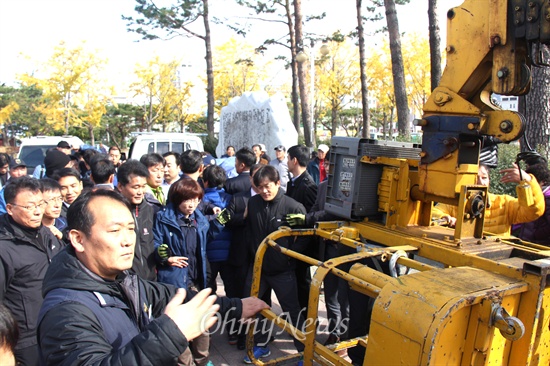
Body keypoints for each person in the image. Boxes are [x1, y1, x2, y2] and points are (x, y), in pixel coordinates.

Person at [37, 189, 269, 365]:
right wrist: (170, 334)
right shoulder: (65, 313)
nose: (128, 240)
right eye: (115, 230)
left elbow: (171, 295)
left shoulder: (122, 281)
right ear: (78, 239)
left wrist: (235, 306)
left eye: (130, 228)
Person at [153, 178, 224, 366]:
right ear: (177, 199)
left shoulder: (199, 218)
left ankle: (202, 359)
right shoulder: (163, 218)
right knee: (177, 325)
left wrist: (219, 224)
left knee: (202, 321)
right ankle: (186, 362)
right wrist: (165, 257)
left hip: (196, 278)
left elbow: (206, 238)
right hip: (174, 280)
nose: (192, 204)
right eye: (188, 200)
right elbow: (155, 242)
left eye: (196, 200)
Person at [242, 165, 308, 363]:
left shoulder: (293, 206)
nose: (264, 191)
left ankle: (304, 351)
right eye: (259, 187)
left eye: (268, 186)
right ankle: (261, 345)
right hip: (258, 269)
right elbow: (248, 230)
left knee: (292, 311)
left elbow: (306, 237)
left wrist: (289, 257)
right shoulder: (253, 203)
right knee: (257, 308)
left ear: (278, 183)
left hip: (283, 271)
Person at [0, 176, 64, 365]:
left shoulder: (47, 235)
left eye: (40, 204)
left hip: (57, 326)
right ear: (10, 208)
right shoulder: (4, 248)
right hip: (26, 339)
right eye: (29, 207)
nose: (37, 211)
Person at [433, 163, 545, 236]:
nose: (480, 182)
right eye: (475, 178)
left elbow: (534, 211)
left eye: (484, 178)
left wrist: (528, 181)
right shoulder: (454, 203)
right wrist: (445, 218)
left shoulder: (504, 203)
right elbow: (434, 212)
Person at [224, 163, 263, 350]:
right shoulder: (238, 199)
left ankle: (260, 335)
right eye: (255, 176)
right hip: (240, 256)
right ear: (250, 178)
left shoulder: (269, 197)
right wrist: (243, 216)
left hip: (261, 256)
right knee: (239, 295)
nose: (259, 181)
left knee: (261, 296)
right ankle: (238, 334)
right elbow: (225, 221)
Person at [286, 145, 318, 313]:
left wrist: (299, 245)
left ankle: (307, 319)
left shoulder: (308, 185)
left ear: (295, 160)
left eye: (288, 158)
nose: (286, 162)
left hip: (302, 244)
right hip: (293, 241)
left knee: (302, 281)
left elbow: (311, 216)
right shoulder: (293, 183)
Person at [117, 159, 159, 281]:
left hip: (150, 279)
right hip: (124, 280)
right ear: (120, 186)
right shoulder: (112, 211)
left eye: (143, 186)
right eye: (135, 187)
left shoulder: (150, 210)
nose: (140, 192)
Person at [202, 165, 232, 292]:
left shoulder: (202, 200)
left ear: (206, 182)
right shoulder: (230, 199)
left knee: (208, 290)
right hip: (229, 251)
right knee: (231, 289)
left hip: (209, 251)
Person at [517, 162, 550, 245]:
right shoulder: (535, 196)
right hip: (529, 242)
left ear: (542, 182)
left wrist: (534, 235)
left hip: (539, 245)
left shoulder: (548, 198)